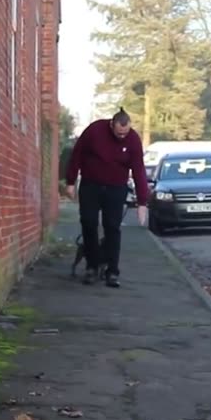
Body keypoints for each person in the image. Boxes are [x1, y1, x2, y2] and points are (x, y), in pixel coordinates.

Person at [64, 109, 149, 287]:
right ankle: (92, 267)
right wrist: (70, 182)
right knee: (88, 222)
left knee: (112, 227)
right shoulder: (95, 131)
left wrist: (142, 202)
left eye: (125, 133)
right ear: (112, 124)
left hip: (116, 188)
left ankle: (112, 271)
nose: (122, 136)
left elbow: (139, 170)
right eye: (119, 133)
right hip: (90, 185)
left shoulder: (133, 140)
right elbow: (77, 154)